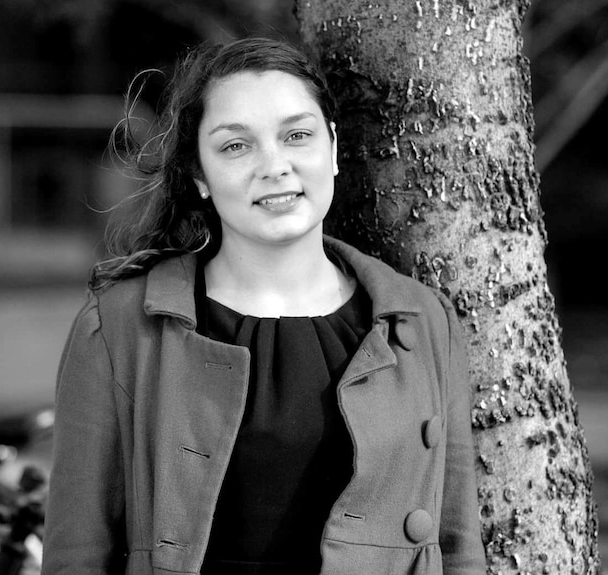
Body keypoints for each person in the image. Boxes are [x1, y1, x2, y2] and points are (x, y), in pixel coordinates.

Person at [42, 37, 487, 575]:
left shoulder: (421, 320)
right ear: (200, 176)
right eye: (236, 146)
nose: (274, 166)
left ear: (333, 147)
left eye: (296, 135)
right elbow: (77, 557)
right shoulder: (118, 327)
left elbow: (458, 545)